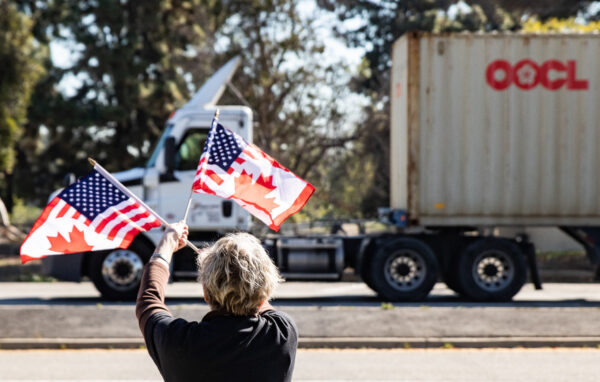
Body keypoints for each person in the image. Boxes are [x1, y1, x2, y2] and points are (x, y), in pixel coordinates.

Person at [136, 222, 298, 382]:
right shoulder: (281, 332)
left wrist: (167, 244)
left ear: (206, 292)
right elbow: (261, 296)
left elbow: (148, 301)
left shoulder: (178, 341)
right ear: (266, 289)